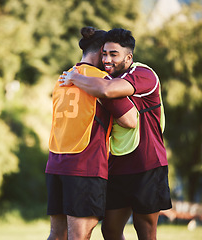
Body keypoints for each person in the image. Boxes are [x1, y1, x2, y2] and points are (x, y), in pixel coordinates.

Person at [59, 28, 172, 240]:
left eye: (114, 54)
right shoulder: (106, 77)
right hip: (117, 166)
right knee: (110, 230)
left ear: (128, 57)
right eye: (104, 53)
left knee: (145, 231)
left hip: (147, 165)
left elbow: (107, 91)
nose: (107, 59)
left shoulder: (143, 75)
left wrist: (74, 77)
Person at [46, 27, 137, 240]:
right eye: (107, 54)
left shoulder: (63, 79)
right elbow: (130, 120)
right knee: (80, 236)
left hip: (55, 165)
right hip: (84, 168)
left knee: (57, 235)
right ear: (100, 52)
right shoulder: (100, 81)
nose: (108, 60)